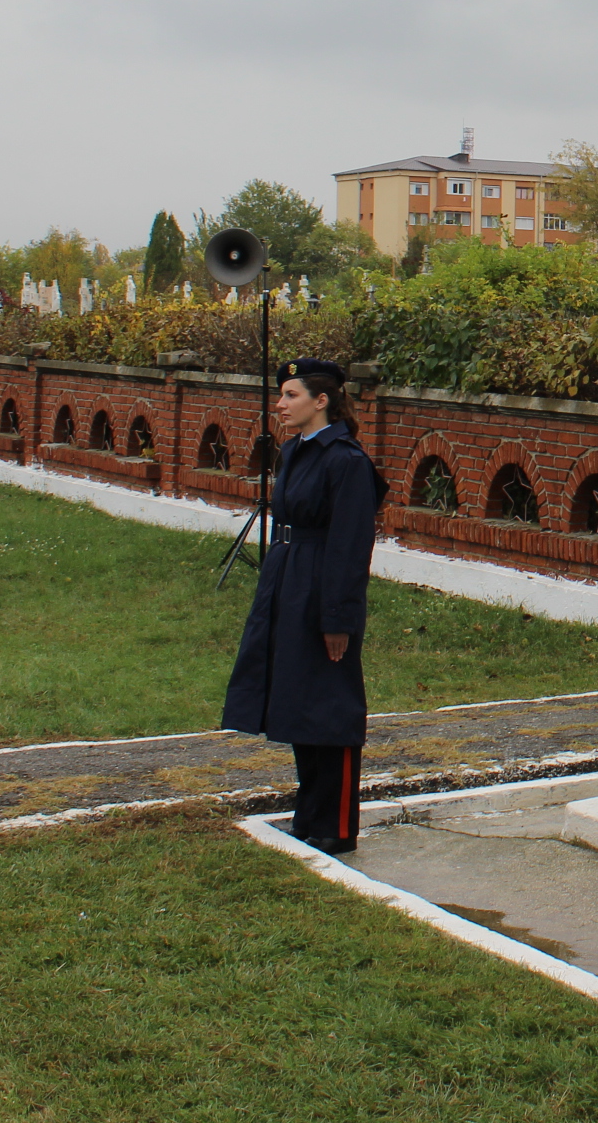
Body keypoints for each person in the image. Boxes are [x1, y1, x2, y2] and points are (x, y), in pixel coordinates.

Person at [221, 356, 388, 855]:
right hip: (288, 579)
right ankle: (309, 813)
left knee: (330, 704)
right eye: (281, 395)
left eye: (291, 395)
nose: (280, 405)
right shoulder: (294, 451)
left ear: (322, 400)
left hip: (322, 585)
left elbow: (350, 546)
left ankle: (335, 824)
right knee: (298, 697)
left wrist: (337, 619)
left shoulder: (346, 460)